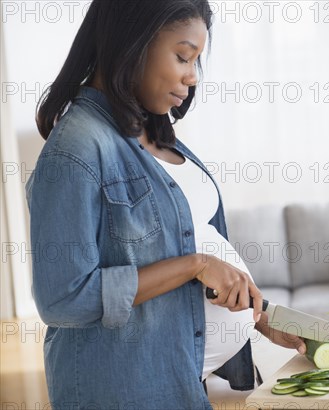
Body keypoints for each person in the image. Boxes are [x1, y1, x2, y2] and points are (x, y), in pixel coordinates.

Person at [26, 1, 305, 408]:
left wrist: (261, 318)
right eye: (182, 56)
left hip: (182, 381)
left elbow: (186, 239)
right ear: (132, 41)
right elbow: (63, 300)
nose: (192, 76)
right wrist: (196, 264)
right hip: (126, 390)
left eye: (196, 61)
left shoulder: (152, 131)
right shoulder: (76, 150)